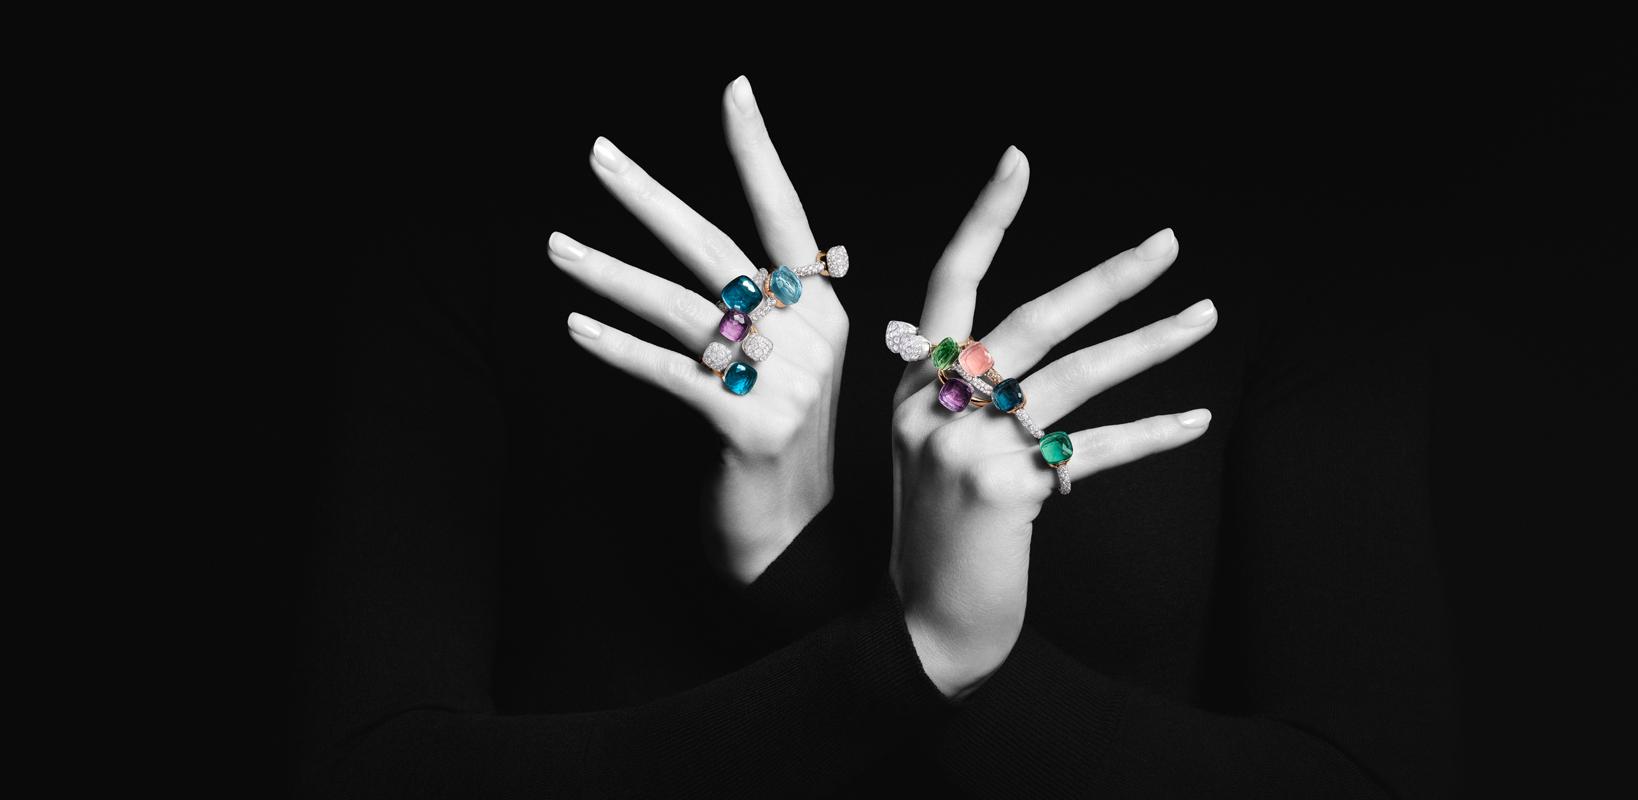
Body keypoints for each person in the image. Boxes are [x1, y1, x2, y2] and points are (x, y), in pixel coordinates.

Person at [293, 75, 1461, 797]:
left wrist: (932, 647)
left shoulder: (1304, 196)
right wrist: (911, 646)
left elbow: (1375, 776)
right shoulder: (457, 172)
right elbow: (362, 768)